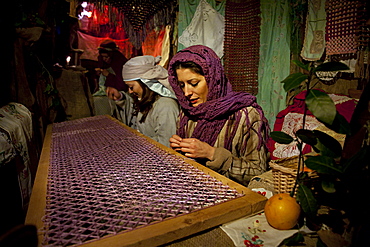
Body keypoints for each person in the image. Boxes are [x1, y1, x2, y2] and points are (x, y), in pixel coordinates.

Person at [167, 45, 270, 186]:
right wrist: (180, 150)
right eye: (182, 85)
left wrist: (212, 154)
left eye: (193, 83)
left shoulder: (245, 115)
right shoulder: (187, 113)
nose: (186, 92)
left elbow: (258, 172)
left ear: (213, 79)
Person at [107, 55, 179, 148]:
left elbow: (166, 143)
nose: (130, 91)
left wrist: (137, 142)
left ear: (145, 83)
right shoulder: (147, 101)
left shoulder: (166, 105)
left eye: (131, 87)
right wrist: (120, 98)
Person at [92, 40, 128, 118]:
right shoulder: (103, 62)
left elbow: (122, 85)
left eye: (106, 57)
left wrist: (109, 75)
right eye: (103, 57)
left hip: (120, 94)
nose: (104, 59)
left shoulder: (120, 64)